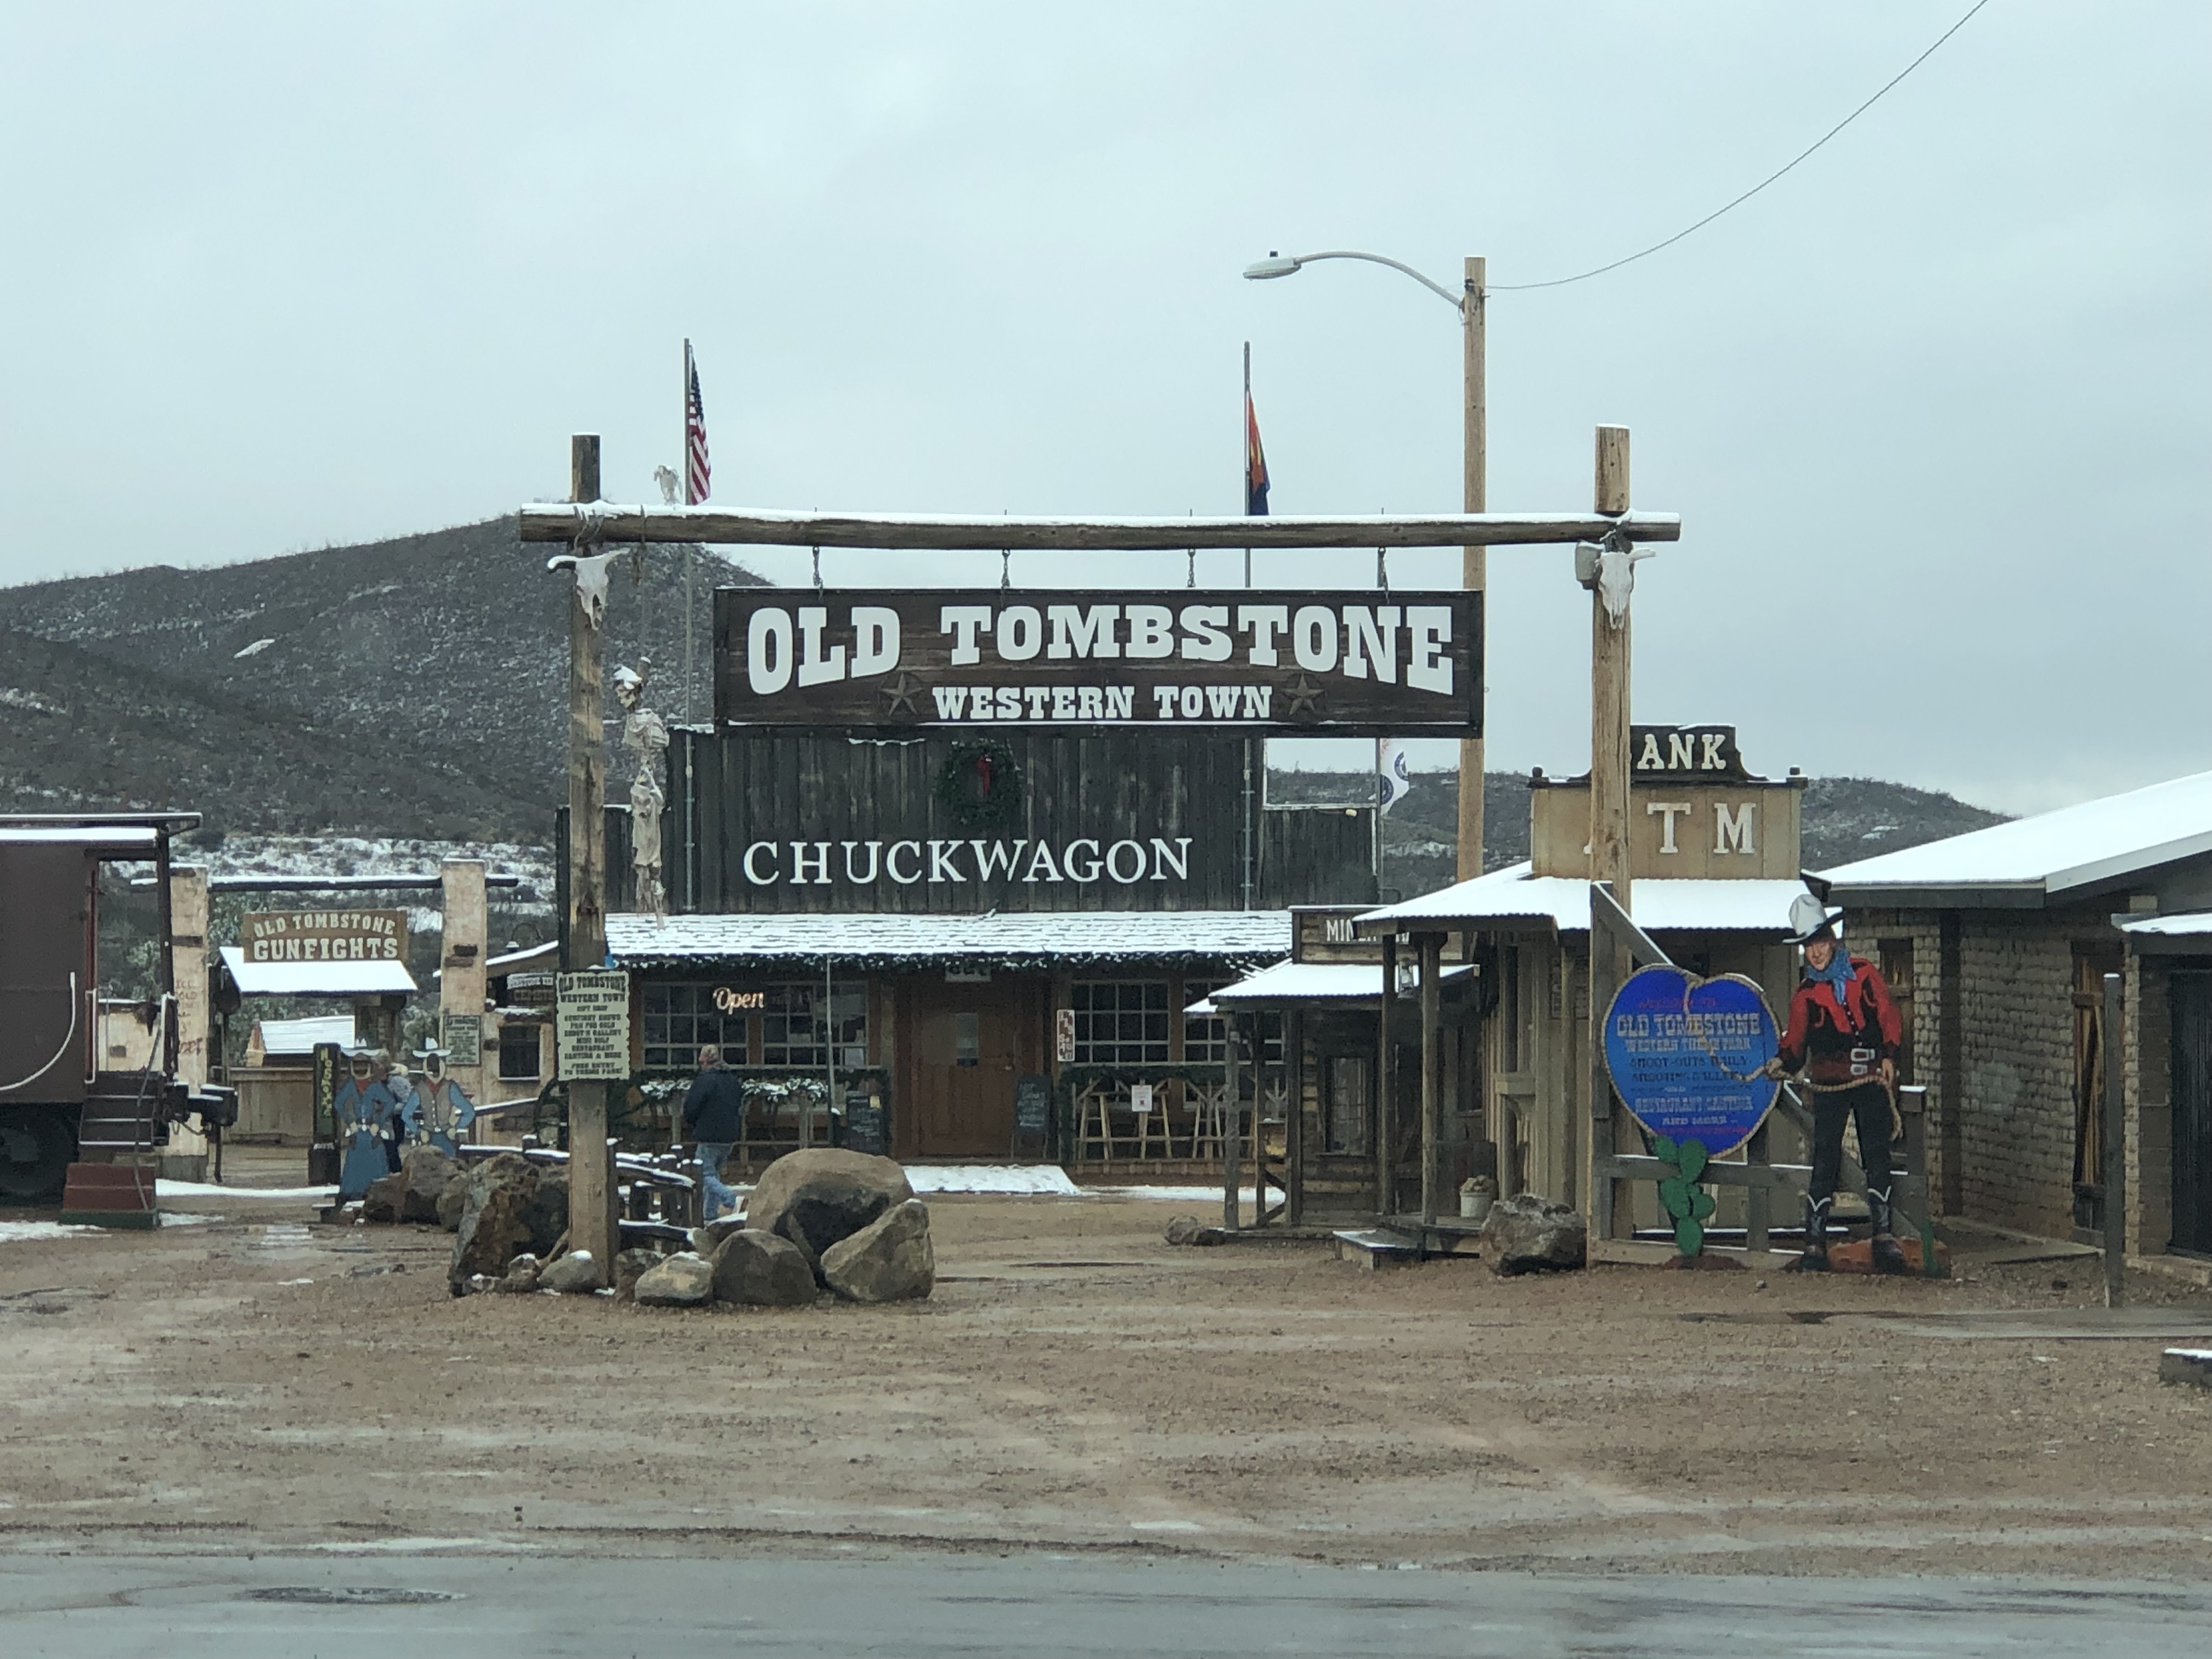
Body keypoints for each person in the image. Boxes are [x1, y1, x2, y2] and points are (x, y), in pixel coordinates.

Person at [1763, 894, 1908, 1273]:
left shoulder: (1864, 974)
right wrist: (1782, 1061)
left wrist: (1889, 1055)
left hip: (1870, 1077)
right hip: (1830, 1083)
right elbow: (1796, 1042)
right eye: (1809, 946)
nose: (1816, 953)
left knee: (1876, 1151)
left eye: (1820, 943)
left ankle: (1883, 1234)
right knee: (1825, 1155)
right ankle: (1815, 1240)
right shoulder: (1806, 995)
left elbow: (1888, 1015)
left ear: (1832, 941)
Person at [681, 1045, 745, 1223]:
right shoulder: (732, 1080)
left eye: (701, 1062)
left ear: (705, 1061)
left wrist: (692, 1122)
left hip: (708, 1135)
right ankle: (710, 1215)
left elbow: (692, 1107)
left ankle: (728, 1196)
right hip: (730, 1136)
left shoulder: (705, 1080)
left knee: (703, 1174)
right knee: (714, 1174)